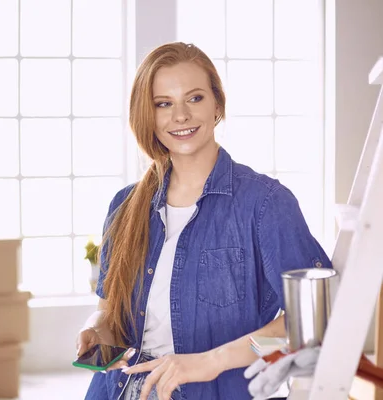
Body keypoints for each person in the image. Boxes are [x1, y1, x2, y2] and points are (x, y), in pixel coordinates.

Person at [75, 42, 332, 400]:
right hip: (116, 390)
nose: (180, 115)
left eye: (194, 98)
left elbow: (311, 321)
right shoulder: (125, 206)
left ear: (217, 105)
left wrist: (210, 361)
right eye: (163, 104)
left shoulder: (265, 203)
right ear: (147, 116)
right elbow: (109, 312)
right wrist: (96, 328)